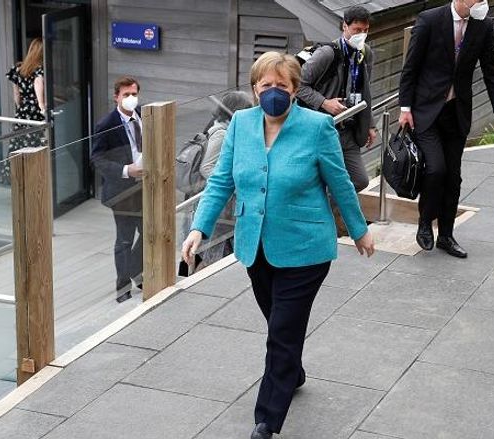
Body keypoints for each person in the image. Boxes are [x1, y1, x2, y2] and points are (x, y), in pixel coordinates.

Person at [181, 52, 375, 439]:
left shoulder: (317, 127)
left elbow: (339, 181)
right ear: (255, 90)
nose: (273, 92)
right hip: (255, 246)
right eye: (266, 85)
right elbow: (221, 181)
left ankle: (267, 420)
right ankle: (293, 371)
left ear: (294, 90)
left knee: (281, 333)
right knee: (280, 323)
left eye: (282, 86)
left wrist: (359, 230)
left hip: (305, 249)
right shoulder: (241, 124)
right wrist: (199, 229)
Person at [399, 0, 494, 258]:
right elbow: (410, 67)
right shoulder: (429, 20)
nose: (482, 3)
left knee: (453, 177)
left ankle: (446, 236)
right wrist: (405, 108)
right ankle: (425, 222)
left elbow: (491, 69)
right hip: (425, 111)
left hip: (456, 112)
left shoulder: (483, 26)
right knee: (436, 169)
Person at [297, 6, 377, 194]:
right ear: (345, 27)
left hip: (349, 130)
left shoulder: (366, 54)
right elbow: (298, 85)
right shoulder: (327, 53)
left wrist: (370, 124)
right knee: (318, 181)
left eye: (365, 30)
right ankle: (323, 210)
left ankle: (329, 208)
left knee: (359, 181)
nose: (361, 35)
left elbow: (365, 92)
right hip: (323, 128)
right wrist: (324, 102)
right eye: (357, 30)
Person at [92, 76, 144, 303]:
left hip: (144, 187)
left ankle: (134, 268)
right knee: (125, 238)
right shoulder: (106, 124)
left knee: (149, 232)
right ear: (116, 97)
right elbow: (97, 158)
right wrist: (126, 170)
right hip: (122, 191)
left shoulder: (143, 114)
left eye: (134, 94)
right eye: (126, 95)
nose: (131, 98)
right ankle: (123, 288)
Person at [195, 91, 254, 269]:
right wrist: (230, 184)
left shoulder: (219, 127)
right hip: (220, 205)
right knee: (213, 252)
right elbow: (206, 167)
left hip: (223, 207)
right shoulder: (221, 134)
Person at [3, 38, 46, 183]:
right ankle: (34, 177)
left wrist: (22, 107)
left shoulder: (18, 69)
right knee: (35, 143)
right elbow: (38, 87)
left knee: (18, 142)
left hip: (22, 111)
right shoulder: (39, 70)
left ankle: (15, 175)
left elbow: (17, 96)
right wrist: (42, 106)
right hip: (35, 112)